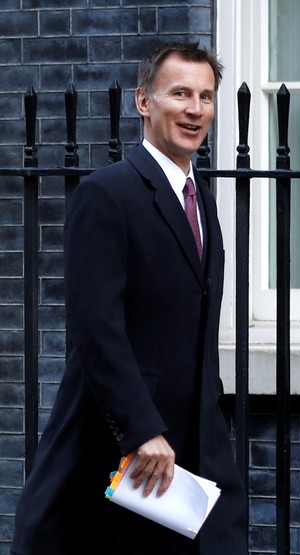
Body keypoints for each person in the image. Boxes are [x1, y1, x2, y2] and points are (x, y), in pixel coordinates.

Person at [11, 41, 248, 554]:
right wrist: (140, 430)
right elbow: (95, 329)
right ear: (144, 102)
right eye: (180, 93)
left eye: (205, 97)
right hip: (127, 453)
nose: (195, 109)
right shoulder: (107, 193)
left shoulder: (202, 198)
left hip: (199, 454)